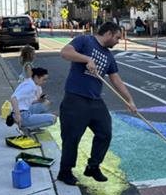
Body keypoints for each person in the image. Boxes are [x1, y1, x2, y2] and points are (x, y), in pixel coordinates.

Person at [56, 21, 137, 185]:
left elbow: (116, 79)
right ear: (108, 33)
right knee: (72, 138)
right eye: (117, 37)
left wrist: (129, 100)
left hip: (95, 101)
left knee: (105, 132)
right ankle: (65, 172)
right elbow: (65, 52)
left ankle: (93, 167)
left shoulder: (109, 56)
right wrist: (86, 59)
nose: (118, 41)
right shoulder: (85, 41)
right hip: (75, 99)